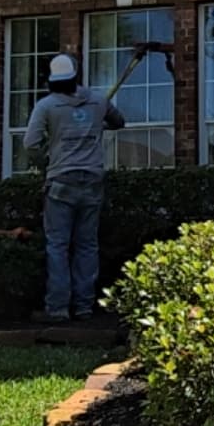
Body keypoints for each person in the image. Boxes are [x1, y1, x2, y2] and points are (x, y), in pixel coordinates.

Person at [23, 53, 126, 322]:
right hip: (92, 181)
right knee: (86, 245)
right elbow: (119, 122)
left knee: (57, 245)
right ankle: (83, 306)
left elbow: (30, 144)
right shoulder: (98, 101)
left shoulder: (47, 106)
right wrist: (96, 123)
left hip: (60, 181)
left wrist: (46, 159)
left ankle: (57, 308)